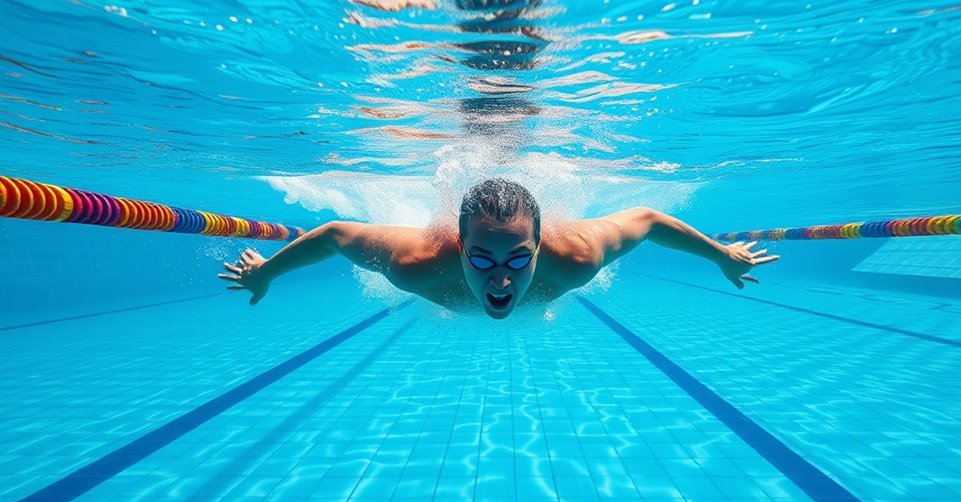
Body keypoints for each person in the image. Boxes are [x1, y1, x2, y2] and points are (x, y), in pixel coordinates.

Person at [219, 179, 779, 319]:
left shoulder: (575, 258)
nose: (501, 279)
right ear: (460, 247)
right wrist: (266, 271)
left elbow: (650, 220)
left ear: (539, 247)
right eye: (482, 259)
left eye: (518, 259)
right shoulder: (417, 265)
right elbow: (338, 234)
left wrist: (721, 256)